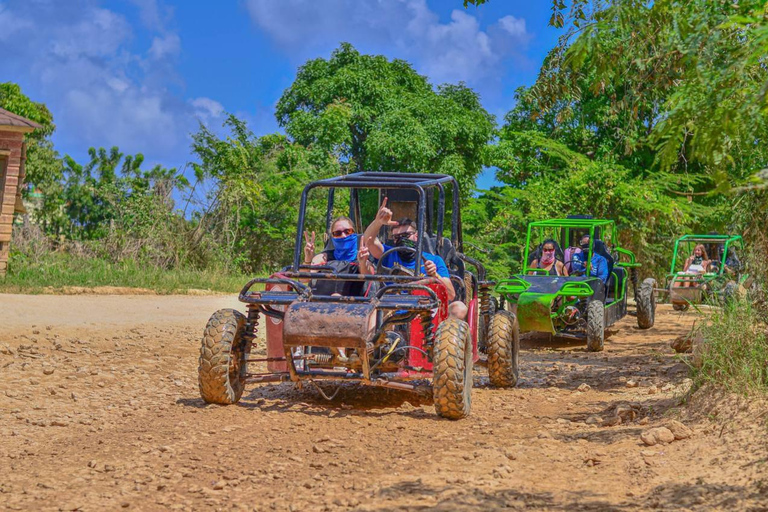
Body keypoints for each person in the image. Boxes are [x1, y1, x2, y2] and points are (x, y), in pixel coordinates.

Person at [362, 198, 467, 319]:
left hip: (425, 310)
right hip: (392, 310)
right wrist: (378, 222)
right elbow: (368, 241)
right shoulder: (388, 254)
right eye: (397, 237)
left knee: (459, 308)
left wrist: (434, 275)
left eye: (406, 235)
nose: (402, 240)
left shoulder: (434, 260)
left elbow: (450, 294)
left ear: (416, 236)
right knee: (371, 312)